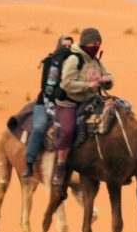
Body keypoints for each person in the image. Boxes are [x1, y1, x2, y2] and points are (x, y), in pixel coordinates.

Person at [44, 27, 111, 191]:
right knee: (67, 130)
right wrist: (88, 85)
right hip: (69, 103)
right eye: (93, 43)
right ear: (85, 43)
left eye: (98, 43)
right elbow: (66, 83)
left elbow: (108, 74)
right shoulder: (75, 59)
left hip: (91, 101)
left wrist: (108, 80)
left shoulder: (95, 60)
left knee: (116, 114)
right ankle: (60, 166)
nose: (96, 45)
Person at [22, 34, 77, 180]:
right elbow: (45, 86)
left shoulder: (75, 63)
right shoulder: (49, 61)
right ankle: (29, 162)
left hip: (67, 103)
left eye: (69, 46)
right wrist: (58, 92)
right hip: (46, 101)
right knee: (39, 126)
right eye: (64, 46)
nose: (66, 49)